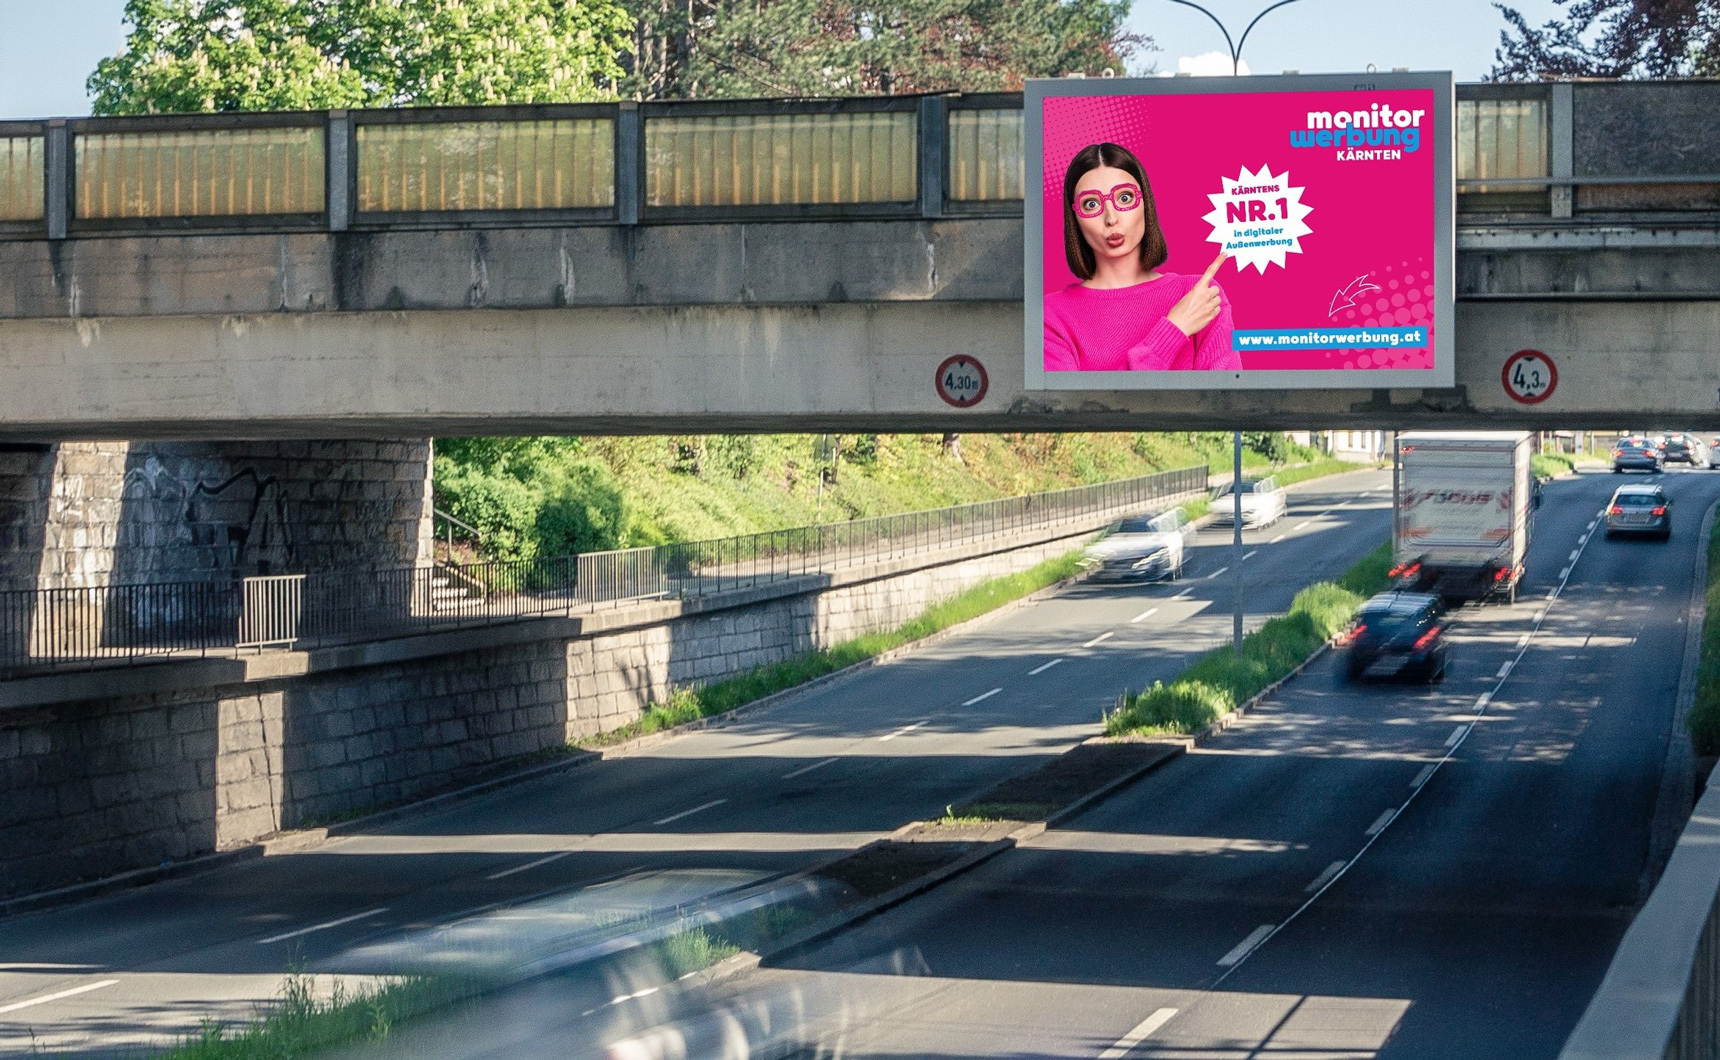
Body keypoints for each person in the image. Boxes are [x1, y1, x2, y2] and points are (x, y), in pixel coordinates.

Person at [1044, 142, 1239, 372]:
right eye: (1091, 204)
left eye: (1125, 198)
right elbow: (1079, 398)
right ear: (1075, 218)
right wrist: (1175, 329)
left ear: (1145, 203)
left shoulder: (1199, 295)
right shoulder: (1052, 315)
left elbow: (1224, 393)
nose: (1111, 218)